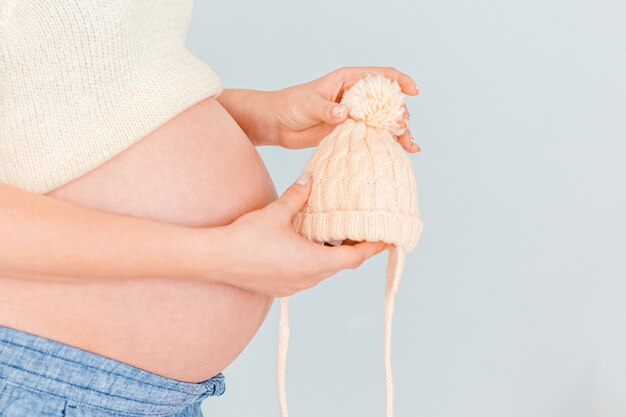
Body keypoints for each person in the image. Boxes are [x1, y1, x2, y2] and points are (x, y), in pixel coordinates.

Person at [0, 2, 421, 416]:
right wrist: (221, 255)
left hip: (151, 395)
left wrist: (266, 116)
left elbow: (83, 93)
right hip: (38, 378)